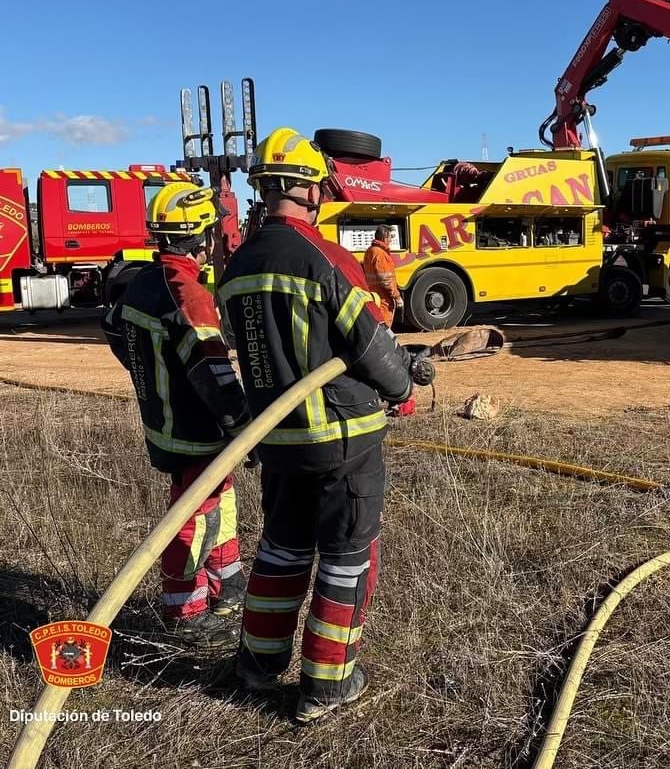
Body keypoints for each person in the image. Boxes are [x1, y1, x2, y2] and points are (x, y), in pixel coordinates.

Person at [219, 127, 434, 723]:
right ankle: (327, 684)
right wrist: (404, 386)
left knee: (282, 552)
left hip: (277, 441)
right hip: (343, 438)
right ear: (311, 187)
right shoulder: (322, 258)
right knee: (345, 557)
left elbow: (248, 345)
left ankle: (258, 667)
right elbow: (368, 343)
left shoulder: (237, 266)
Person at [102, 182, 251, 646]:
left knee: (219, 499)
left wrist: (149, 371)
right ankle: (184, 610)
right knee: (195, 514)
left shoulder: (142, 283)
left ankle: (226, 578)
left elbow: (113, 330)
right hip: (194, 429)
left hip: (161, 422)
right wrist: (244, 426)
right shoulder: (187, 292)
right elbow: (214, 374)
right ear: (204, 237)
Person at [362, 224, 401, 328]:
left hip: (374, 296)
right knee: (385, 327)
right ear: (384, 238)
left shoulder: (370, 251)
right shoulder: (380, 254)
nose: (391, 240)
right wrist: (397, 296)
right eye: (390, 238)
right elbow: (386, 279)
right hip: (383, 298)